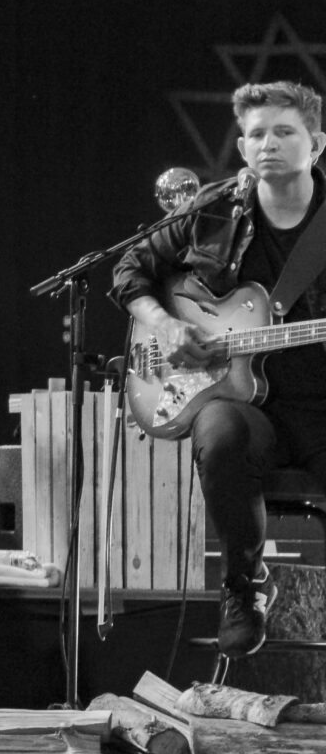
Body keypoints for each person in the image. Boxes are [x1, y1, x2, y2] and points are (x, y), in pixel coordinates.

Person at [113, 80, 326, 656]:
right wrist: (166, 325)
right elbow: (130, 269)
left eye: (285, 131)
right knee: (219, 432)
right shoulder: (213, 211)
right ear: (241, 148)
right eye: (257, 134)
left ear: (317, 144)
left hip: (321, 406)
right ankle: (244, 585)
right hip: (243, 403)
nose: (269, 144)